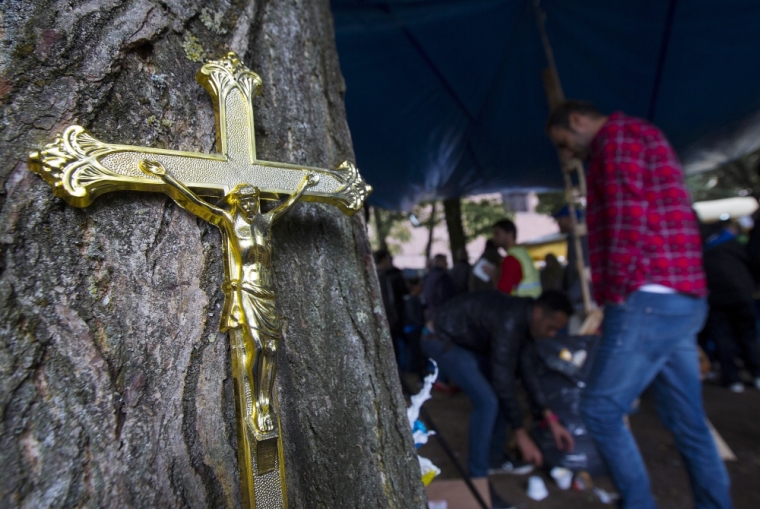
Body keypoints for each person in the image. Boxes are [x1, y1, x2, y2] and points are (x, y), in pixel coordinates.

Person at [547, 100, 732, 508]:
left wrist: (616, 297)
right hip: (681, 299)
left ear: (577, 120)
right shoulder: (642, 135)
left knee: (598, 410)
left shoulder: (614, 140)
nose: (570, 154)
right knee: (689, 424)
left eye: (565, 143)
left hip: (647, 298)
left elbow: (627, 216)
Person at [421, 291, 575, 485]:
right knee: (487, 401)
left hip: (463, 341)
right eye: (551, 327)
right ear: (537, 312)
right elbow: (503, 378)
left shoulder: (526, 322)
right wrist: (520, 433)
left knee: (498, 395)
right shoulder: (511, 321)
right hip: (439, 338)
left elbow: (528, 373)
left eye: (557, 331)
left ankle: (494, 458)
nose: (552, 334)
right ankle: (478, 479)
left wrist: (549, 417)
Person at [700, 220, 760, 392]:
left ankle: (733, 379)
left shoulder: (701, 250)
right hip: (742, 294)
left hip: (715, 298)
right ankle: (756, 374)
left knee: (722, 338)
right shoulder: (733, 245)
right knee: (748, 335)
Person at [553, 205, 592, 333]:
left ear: (570, 219)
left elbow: (584, 270)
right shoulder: (575, 239)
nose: (558, 223)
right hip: (579, 299)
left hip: (582, 300)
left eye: (560, 219)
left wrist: (569, 298)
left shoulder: (580, 240)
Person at [492, 219, 542, 297]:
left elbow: (502, 293)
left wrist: (494, 276)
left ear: (510, 234)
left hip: (522, 304)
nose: (494, 238)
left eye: (497, 233)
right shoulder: (522, 252)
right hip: (531, 302)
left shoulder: (511, 259)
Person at [375, 249, 408, 364]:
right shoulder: (381, 276)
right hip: (389, 321)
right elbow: (387, 300)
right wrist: (393, 318)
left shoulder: (379, 275)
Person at [423, 253, 457, 318]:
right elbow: (446, 296)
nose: (447, 263)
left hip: (432, 313)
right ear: (438, 261)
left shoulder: (428, 276)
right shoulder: (443, 276)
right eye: (445, 261)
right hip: (443, 313)